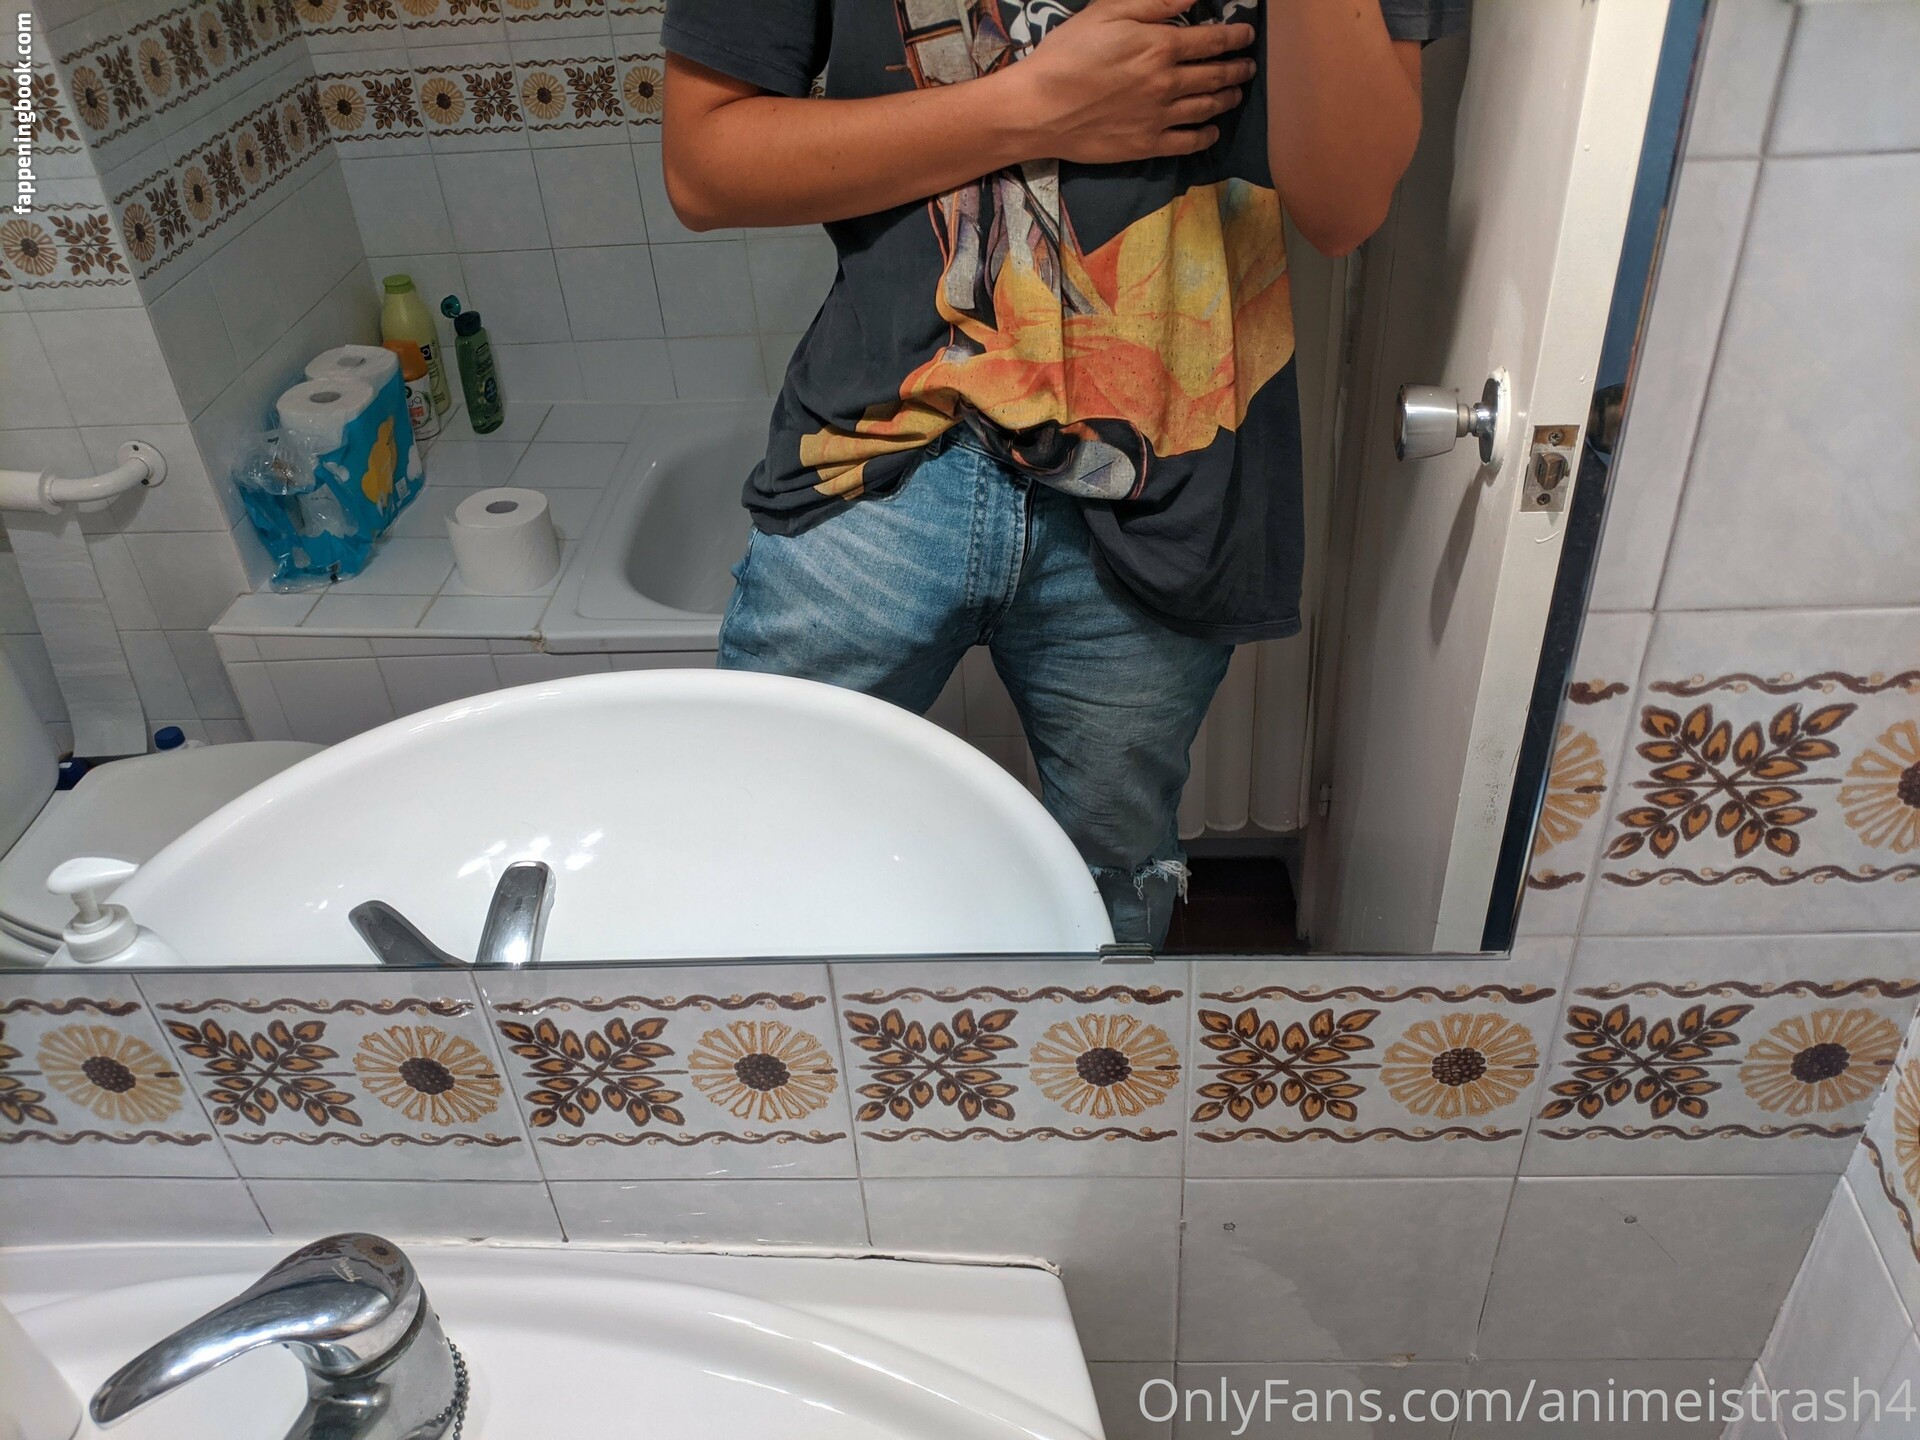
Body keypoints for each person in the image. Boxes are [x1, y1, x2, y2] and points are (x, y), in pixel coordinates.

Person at [662, 0, 1465, 946]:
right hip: (879, 450)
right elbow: (704, 168)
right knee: (758, 861)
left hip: (1158, 482)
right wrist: (1031, 106)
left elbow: (1347, 207)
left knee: (1111, 895)